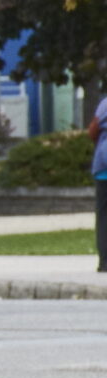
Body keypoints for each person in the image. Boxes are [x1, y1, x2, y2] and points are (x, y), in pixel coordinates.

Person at [89, 89, 106, 274]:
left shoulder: (104, 105)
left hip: (104, 167)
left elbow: (92, 131)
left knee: (103, 217)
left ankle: (104, 262)